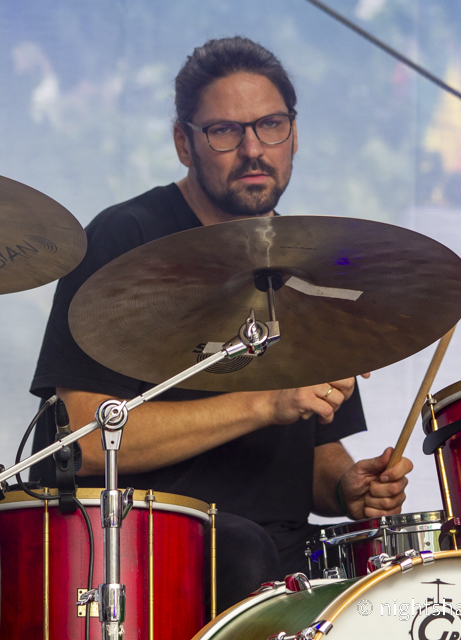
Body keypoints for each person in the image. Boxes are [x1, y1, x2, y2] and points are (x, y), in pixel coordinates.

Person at [29, 36, 412, 612]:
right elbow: (81, 440)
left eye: (271, 126)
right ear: (183, 143)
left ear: (295, 135)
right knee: (243, 549)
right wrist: (264, 403)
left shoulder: (312, 264)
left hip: (285, 563)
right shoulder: (127, 238)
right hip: (151, 557)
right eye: (225, 131)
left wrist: (346, 487)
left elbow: (315, 452)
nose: (253, 149)